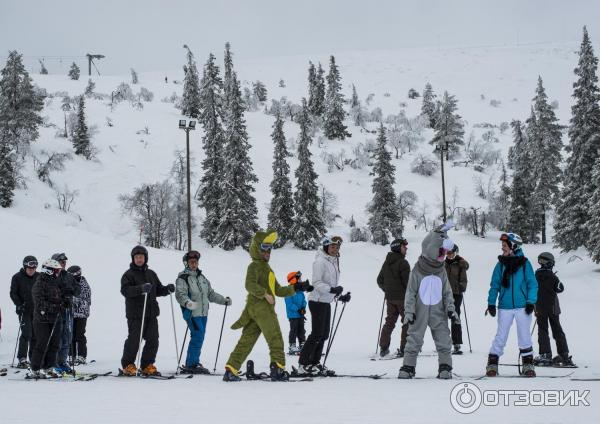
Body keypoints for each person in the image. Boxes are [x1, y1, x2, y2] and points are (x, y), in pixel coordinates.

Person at [223, 230, 312, 382]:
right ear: (256, 248)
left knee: (247, 340)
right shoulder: (254, 266)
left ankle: (231, 369)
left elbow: (278, 290)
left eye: (270, 248)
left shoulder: (267, 268)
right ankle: (278, 369)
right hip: (262, 308)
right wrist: (264, 294)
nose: (268, 251)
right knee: (275, 337)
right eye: (264, 247)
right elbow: (249, 285)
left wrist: (297, 287)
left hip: (255, 309)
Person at [398, 223, 458, 379]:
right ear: (430, 249)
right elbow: (410, 292)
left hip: (438, 311)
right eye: (440, 251)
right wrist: (409, 311)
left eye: (444, 252)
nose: (442, 255)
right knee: (414, 337)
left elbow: (447, 292)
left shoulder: (441, 270)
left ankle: (445, 366)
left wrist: (450, 308)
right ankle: (408, 366)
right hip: (420, 311)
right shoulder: (417, 269)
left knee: (444, 337)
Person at [485, 233, 538, 377]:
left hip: (523, 306)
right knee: (501, 335)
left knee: (524, 335)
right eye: (502, 245)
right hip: (505, 306)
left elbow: (532, 284)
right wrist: (491, 303)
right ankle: (492, 363)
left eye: (505, 245)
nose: (502, 248)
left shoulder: (525, 263)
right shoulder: (500, 264)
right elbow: (494, 285)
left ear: (514, 246)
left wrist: (530, 301)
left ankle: (528, 364)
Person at [298, 235, 350, 377]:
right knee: (316, 334)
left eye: (337, 247)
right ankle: (303, 364)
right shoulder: (320, 261)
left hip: (326, 301)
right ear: (326, 247)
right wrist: (332, 290)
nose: (335, 249)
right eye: (332, 247)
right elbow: (317, 283)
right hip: (317, 301)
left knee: (324, 335)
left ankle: (314, 363)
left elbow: (331, 285)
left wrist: (340, 296)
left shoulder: (334, 262)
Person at [120, 245, 174, 376]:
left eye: (141, 257)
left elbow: (158, 290)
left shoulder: (151, 274)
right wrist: (141, 289)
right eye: (137, 257)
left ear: (146, 258)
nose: (139, 259)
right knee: (134, 340)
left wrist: (167, 289)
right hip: (135, 314)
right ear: (133, 259)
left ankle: (147, 365)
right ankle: (128, 365)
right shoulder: (128, 275)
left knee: (153, 340)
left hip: (151, 313)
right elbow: (125, 291)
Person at [175, 250, 231, 374]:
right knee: (198, 335)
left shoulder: (202, 278)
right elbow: (180, 294)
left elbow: (210, 294)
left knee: (199, 336)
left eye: (196, 262)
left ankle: (193, 362)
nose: (194, 264)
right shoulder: (183, 278)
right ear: (186, 263)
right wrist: (188, 303)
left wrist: (224, 300)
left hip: (203, 313)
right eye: (191, 262)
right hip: (191, 313)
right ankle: (191, 364)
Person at [533, 252, 574, 366]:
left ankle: (545, 354)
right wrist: (554, 278)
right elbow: (560, 288)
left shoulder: (535, 275)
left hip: (540, 307)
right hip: (553, 308)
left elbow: (530, 289)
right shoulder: (553, 276)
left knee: (543, 330)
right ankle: (564, 355)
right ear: (550, 263)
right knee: (557, 330)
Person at [28, 259, 65, 378]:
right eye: (56, 271)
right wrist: (57, 307)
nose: (58, 273)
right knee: (42, 343)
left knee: (55, 344)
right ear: (49, 271)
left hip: (55, 318)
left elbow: (59, 297)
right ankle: (35, 368)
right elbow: (40, 304)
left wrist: (65, 302)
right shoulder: (39, 284)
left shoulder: (55, 282)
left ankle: (49, 367)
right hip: (42, 319)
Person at [377, 238, 410, 358]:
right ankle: (405, 348)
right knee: (407, 321)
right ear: (398, 247)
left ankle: (383, 347)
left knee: (390, 322)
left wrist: (388, 290)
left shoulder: (387, 262)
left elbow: (379, 280)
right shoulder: (403, 263)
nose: (406, 248)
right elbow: (408, 284)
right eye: (404, 246)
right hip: (402, 299)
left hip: (390, 298)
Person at [52, 252, 80, 373]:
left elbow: (78, 290)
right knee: (57, 337)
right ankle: (54, 362)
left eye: (64, 262)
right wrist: (62, 295)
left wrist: (72, 290)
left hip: (68, 310)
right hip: (56, 310)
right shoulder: (51, 275)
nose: (63, 264)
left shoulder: (68, 276)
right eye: (60, 262)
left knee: (67, 337)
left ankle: (63, 361)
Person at [10, 255, 39, 368]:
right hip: (24, 310)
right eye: (30, 268)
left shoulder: (39, 276)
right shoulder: (17, 277)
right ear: (25, 267)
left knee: (36, 335)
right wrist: (19, 304)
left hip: (37, 311)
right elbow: (13, 293)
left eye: (34, 268)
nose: (32, 270)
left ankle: (33, 358)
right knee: (27, 333)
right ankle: (22, 359)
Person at [444, 244, 469, 355]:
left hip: (455, 294)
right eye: (447, 253)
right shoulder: (442, 263)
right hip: (443, 294)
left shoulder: (460, 264)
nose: (449, 255)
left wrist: (461, 287)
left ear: (455, 252)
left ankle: (456, 343)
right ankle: (443, 342)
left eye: (451, 253)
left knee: (455, 317)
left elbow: (464, 279)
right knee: (441, 318)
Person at [68, 265, 91, 365]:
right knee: (70, 334)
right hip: (71, 314)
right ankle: (71, 355)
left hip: (81, 314)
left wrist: (72, 300)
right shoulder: (69, 283)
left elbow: (85, 299)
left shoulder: (84, 284)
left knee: (79, 334)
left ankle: (81, 356)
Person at [284, 271, 308, 355]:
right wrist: (298, 309)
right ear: (294, 279)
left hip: (300, 314)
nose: (301, 280)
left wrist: (303, 308)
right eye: (299, 278)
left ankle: (302, 344)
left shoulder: (299, 291)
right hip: (293, 315)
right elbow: (289, 304)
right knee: (294, 329)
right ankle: (292, 346)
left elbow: (304, 300)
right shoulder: (288, 291)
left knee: (301, 329)